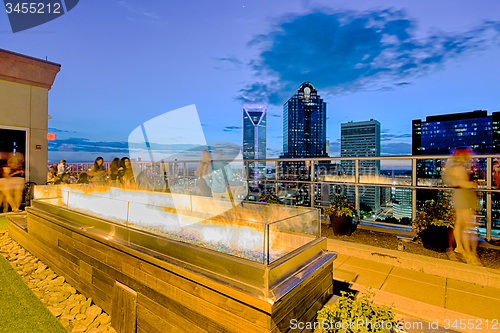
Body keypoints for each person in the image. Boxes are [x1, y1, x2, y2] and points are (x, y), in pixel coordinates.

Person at [443, 147, 482, 266]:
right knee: (468, 225)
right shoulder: (459, 167)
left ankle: (460, 247)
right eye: (468, 153)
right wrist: (471, 184)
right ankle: (469, 254)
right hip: (463, 196)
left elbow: (452, 181)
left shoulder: (455, 166)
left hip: (460, 196)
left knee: (460, 223)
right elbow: (458, 182)